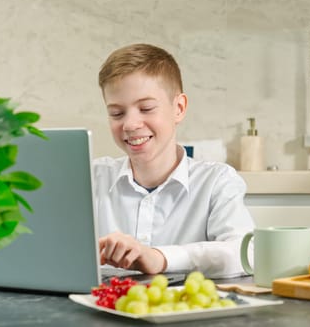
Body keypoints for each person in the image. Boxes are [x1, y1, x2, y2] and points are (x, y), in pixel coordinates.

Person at [94, 43, 254, 278]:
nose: (130, 124)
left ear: (178, 108)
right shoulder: (91, 178)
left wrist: (159, 257)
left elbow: (245, 253)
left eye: (146, 108)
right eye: (117, 113)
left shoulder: (216, 181)